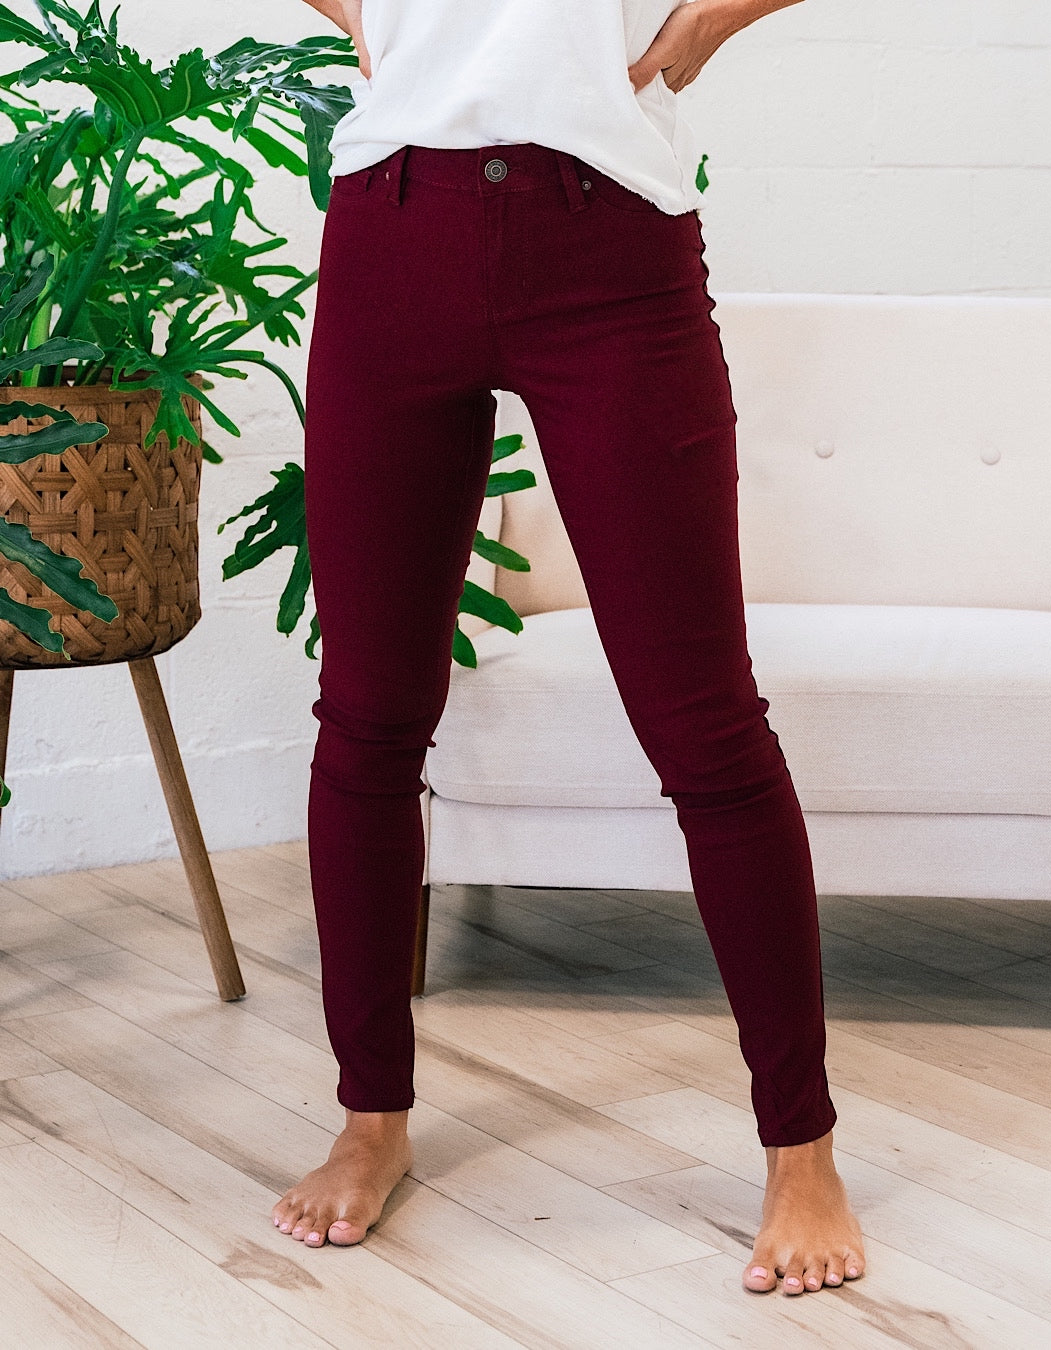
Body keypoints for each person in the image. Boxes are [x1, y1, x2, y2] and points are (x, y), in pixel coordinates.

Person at [272, 0, 867, 1298]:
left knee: (706, 725)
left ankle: (802, 1148)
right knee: (368, 716)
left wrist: (710, 22)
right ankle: (371, 1118)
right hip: (393, 223)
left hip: (610, 237)